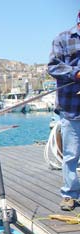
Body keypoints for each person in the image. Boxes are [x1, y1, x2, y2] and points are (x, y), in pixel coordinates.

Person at [48, 12, 80, 211]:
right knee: (71, 154)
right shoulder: (62, 39)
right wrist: (75, 73)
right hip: (71, 108)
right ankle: (69, 194)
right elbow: (53, 67)